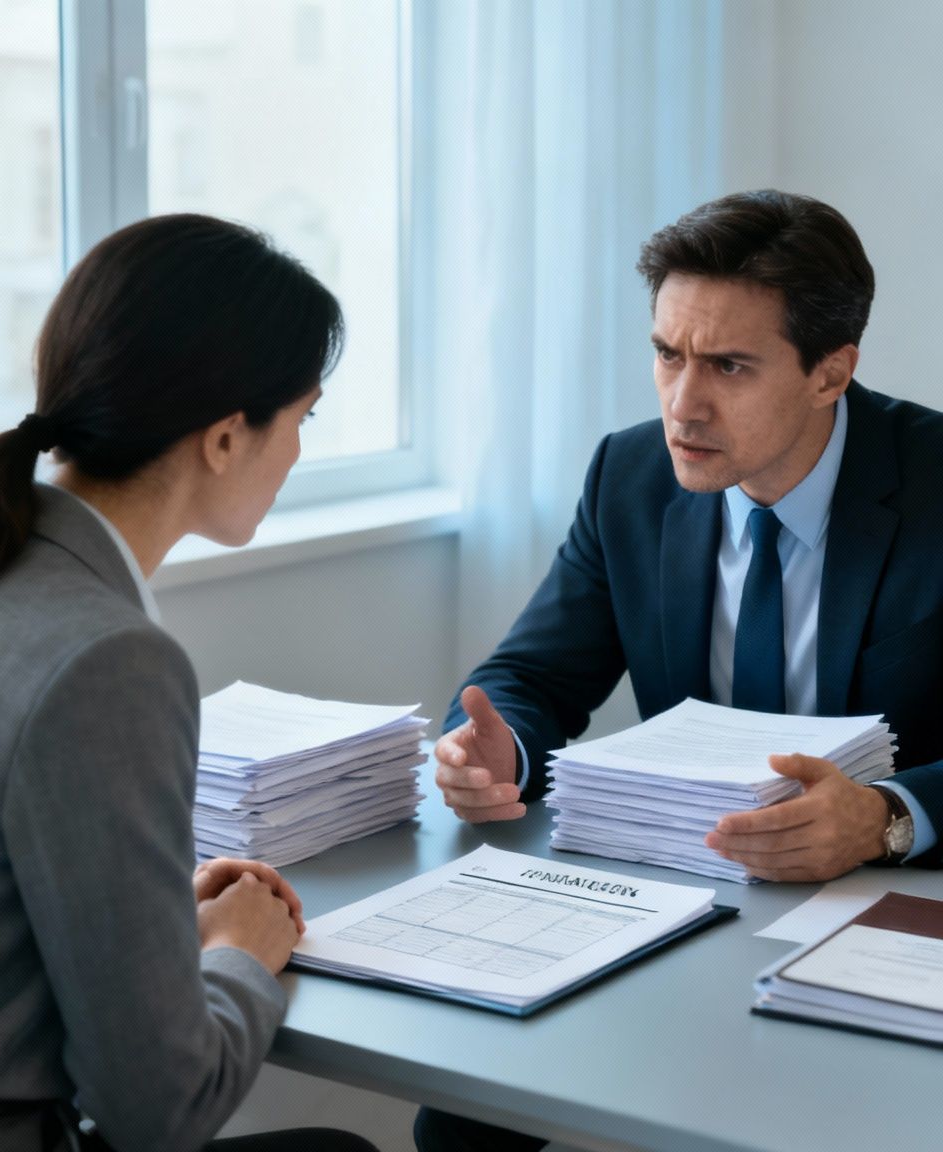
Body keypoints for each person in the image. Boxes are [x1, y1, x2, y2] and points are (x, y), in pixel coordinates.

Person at [421, 189, 943, 1152]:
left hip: (895, 908)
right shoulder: (630, 474)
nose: (681, 403)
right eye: (668, 354)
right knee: (463, 1118)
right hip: (682, 890)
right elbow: (531, 677)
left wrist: (889, 813)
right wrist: (501, 746)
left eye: (729, 367)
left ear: (832, 372)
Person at [0, 213, 375, 1152]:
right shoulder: (110, 658)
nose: (297, 452)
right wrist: (243, 957)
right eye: (302, 418)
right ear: (222, 438)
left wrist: (159, 915)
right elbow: (158, 1112)